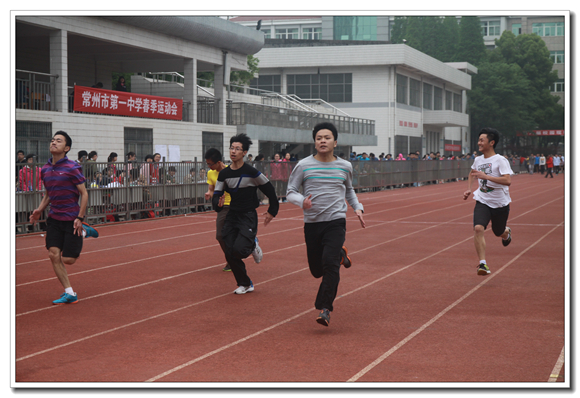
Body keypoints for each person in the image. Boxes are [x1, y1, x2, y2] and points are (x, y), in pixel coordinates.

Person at [286, 122, 365, 327]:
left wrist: (357, 207)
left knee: (329, 265)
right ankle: (340, 254)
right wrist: (302, 201)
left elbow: (349, 190)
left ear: (335, 142)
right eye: (319, 137)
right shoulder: (303, 165)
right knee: (316, 270)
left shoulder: (345, 166)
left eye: (327, 137)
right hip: (312, 223)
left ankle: (325, 308)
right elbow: (290, 192)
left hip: (336, 221)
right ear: (314, 142)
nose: (323, 140)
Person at [29, 131, 99, 305]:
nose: (53, 142)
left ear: (66, 148)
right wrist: (39, 210)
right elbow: (48, 194)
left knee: (69, 260)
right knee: (53, 255)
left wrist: (80, 218)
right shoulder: (44, 169)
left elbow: (84, 193)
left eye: (58, 141)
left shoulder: (72, 167)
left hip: (71, 219)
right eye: (52, 140)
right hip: (54, 219)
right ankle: (69, 293)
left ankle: (84, 231)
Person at [212, 133, 279, 294]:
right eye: (231, 148)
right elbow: (216, 196)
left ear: (244, 152)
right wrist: (217, 204)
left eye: (237, 149)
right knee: (229, 252)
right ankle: (245, 283)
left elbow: (270, 191)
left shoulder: (252, 172)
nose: (233, 151)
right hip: (232, 214)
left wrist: (272, 211)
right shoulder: (224, 174)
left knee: (240, 250)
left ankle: (252, 244)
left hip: (248, 215)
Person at [463, 128, 513, 276]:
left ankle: (506, 232)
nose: (479, 143)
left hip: (500, 203)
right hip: (482, 200)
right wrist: (469, 189)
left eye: (481, 140)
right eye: (478, 140)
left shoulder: (500, 160)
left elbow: (507, 180)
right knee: (478, 228)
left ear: (491, 143)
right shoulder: (478, 160)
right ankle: (483, 264)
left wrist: (487, 177)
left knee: (498, 231)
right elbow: (472, 173)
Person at [205, 148, 233, 272]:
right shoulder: (210, 173)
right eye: (207, 164)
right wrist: (209, 193)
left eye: (211, 164)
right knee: (220, 236)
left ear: (218, 162)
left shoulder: (230, 171)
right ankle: (231, 259)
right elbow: (211, 189)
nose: (209, 166)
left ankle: (233, 259)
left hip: (233, 205)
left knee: (233, 234)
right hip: (221, 206)